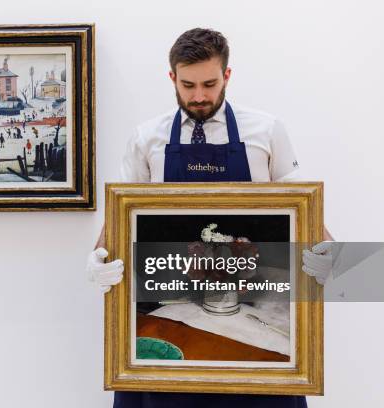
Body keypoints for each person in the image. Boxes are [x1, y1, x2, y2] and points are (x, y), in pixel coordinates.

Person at [85, 28, 335, 408]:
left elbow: (303, 207)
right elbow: (121, 214)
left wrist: (328, 251)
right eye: (187, 85)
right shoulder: (146, 138)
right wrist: (99, 257)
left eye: (209, 84)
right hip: (168, 306)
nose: (199, 96)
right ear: (172, 78)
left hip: (253, 305)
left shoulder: (266, 131)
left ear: (227, 76)